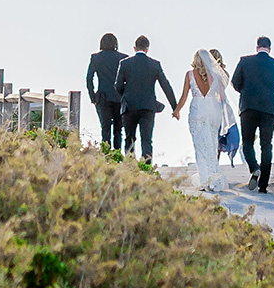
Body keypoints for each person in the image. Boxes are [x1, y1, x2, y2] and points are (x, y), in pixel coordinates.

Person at [231, 36, 274, 192]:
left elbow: (235, 82)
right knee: (266, 145)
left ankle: (254, 167)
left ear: (257, 47)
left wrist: (246, 93)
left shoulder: (244, 61)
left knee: (248, 142)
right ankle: (263, 185)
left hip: (248, 108)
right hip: (269, 110)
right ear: (269, 49)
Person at [172, 49, 234, 192]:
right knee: (212, 144)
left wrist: (177, 111)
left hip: (198, 110)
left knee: (199, 146)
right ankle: (214, 179)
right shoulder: (216, 75)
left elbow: (184, 97)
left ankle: (205, 180)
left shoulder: (189, 74)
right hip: (213, 110)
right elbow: (222, 96)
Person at [114, 35, 177, 163]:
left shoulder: (124, 63)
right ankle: (147, 170)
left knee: (129, 139)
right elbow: (166, 86)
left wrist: (126, 95)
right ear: (147, 49)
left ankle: (130, 170)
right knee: (147, 140)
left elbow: (117, 86)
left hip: (129, 107)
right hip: (148, 107)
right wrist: (175, 108)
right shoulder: (155, 65)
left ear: (134, 48)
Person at [85, 33, 123, 150]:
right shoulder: (123, 58)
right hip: (119, 98)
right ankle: (117, 155)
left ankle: (106, 155)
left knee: (105, 128)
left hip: (103, 97)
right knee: (118, 130)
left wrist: (93, 97)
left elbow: (89, 78)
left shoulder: (96, 57)